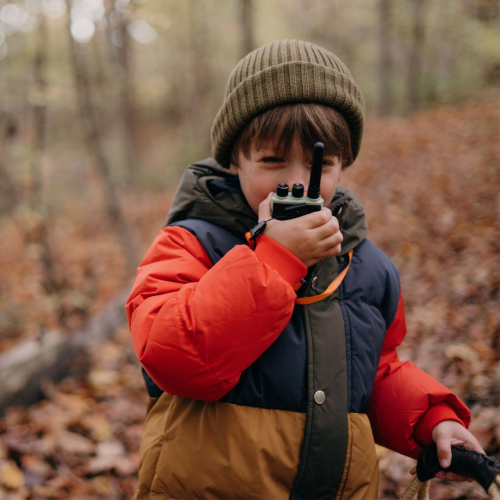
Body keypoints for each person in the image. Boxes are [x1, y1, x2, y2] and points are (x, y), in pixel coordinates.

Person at [126, 39, 484, 500]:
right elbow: (171, 354)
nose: (295, 181)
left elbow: (374, 370)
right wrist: (274, 260)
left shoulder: (368, 267)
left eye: (320, 164)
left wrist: (432, 420)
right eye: (272, 160)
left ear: (342, 165)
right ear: (235, 160)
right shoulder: (191, 243)